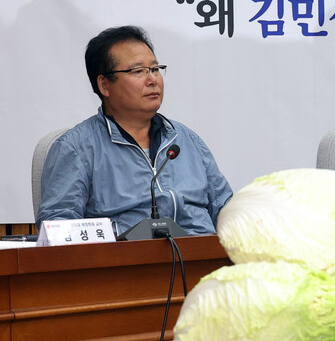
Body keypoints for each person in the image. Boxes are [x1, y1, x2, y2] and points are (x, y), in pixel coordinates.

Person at [36, 25, 232, 235]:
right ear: (104, 85)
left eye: (155, 69)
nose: (152, 80)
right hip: (128, 255)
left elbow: (227, 210)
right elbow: (59, 229)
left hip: (201, 253)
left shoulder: (185, 140)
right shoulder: (76, 149)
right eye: (138, 71)